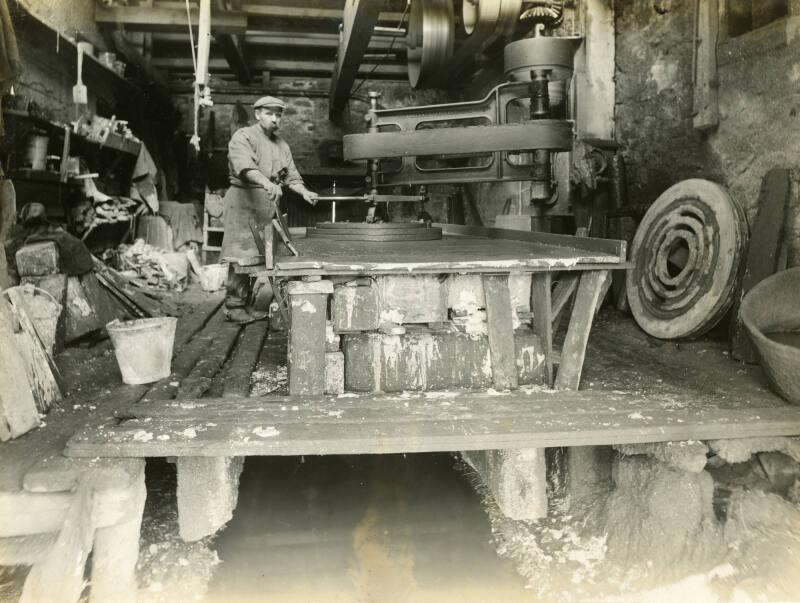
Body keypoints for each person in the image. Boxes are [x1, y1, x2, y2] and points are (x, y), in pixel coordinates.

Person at [220, 95, 319, 323]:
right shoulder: (243, 137)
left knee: (260, 256)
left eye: (278, 115)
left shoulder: (281, 145)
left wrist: (304, 192)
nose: (275, 119)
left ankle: (249, 304)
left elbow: (291, 176)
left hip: (266, 204)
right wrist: (267, 183)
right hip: (243, 203)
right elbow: (245, 167)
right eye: (269, 114)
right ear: (257, 114)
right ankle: (234, 306)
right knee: (240, 256)